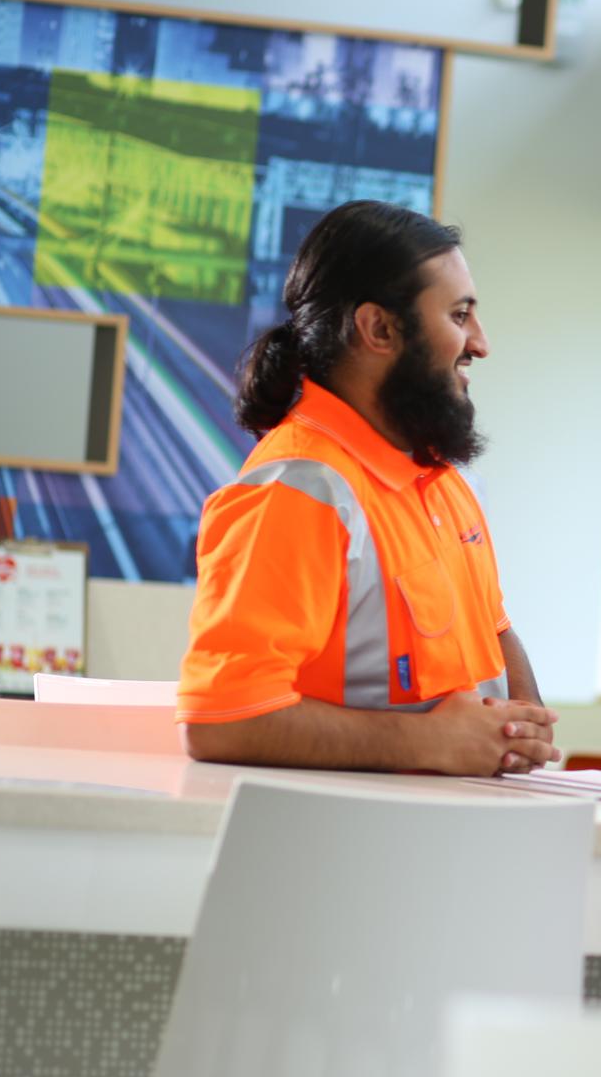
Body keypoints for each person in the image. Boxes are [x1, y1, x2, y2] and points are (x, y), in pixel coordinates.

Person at [177, 200, 558, 776]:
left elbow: (495, 629)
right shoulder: (297, 488)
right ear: (378, 328)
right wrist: (427, 743)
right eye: (458, 316)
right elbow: (221, 719)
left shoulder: (444, 481)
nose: (480, 342)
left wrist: (520, 733)